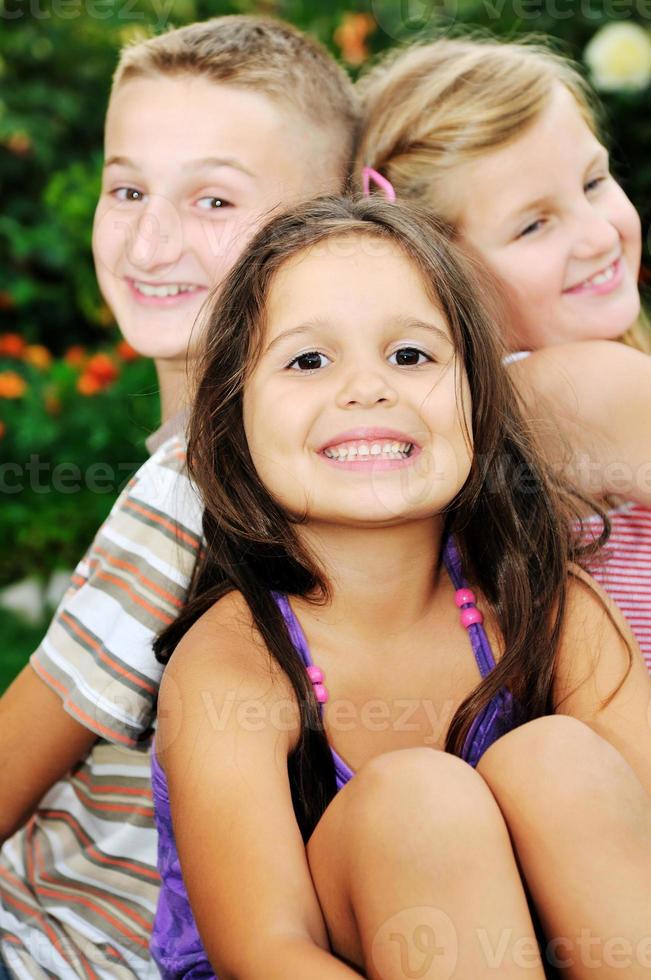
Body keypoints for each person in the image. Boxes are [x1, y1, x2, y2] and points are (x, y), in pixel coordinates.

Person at [151, 196, 651, 979]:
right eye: (308, 360)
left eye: (410, 356)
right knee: (418, 803)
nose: (367, 389)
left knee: (556, 759)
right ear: (231, 418)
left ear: (479, 399)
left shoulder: (551, 609)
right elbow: (265, 954)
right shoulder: (232, 667)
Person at [0, 17, 357, 978]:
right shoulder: (367, 450)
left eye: (212, 198)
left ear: (346, 210)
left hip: (58, 947)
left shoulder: (195, 482)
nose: (151, 240)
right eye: (127, 188)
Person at [354, 36, 651, 667]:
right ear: (438, 273)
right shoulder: (581, 388)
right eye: (534, 224)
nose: (599, 234)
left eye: (594, 182)